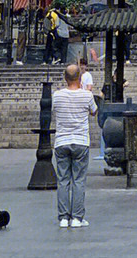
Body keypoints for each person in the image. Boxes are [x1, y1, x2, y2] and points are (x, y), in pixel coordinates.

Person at [52, 62, 97, 228]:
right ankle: (77, 217)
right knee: (78, 180)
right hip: (80, 141)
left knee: (63, 180)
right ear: (80, 77)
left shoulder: (57, 95)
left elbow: (53, 110)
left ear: (65, 78)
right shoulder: (87, 95)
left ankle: (63, 217)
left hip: (62, 141)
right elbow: (94, 111)